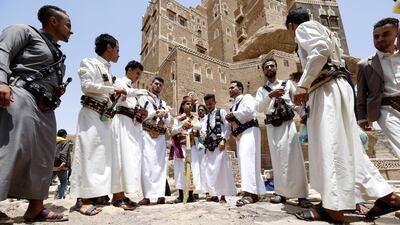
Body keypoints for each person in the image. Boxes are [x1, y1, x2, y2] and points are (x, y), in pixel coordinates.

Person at [286, 7, 400, 223]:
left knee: (331, 144)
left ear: (292, 25)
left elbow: (319, 51)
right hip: (338, 87)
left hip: (326, 89)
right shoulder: (326, 31)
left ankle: (332, 208)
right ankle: (387, 196)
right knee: (347, 147)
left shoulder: (304, 28)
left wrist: (303, 84)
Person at [0, 5, 72, 222]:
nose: (71, 30)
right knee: (11, 147)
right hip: (21, 95)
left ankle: (36, 208)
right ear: (53, 21)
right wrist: (1, 81)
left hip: (46, 107)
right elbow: (3, 50)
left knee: (43, 156)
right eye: (68, 25)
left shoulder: (57, 53)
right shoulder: (23, 30)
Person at [70, 33, 127, 216]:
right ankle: (84, 200)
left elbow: (109, 93)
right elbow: (87, 86)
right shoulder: (89, 62)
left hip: (105, 117)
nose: (119, 54)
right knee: (89, 154)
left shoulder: (109, 71)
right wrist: (112, 89)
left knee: (105, 158)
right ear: (109, 47)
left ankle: (102, 195)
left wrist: (116, 95)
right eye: (117, 50)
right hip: (91, 114)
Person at [255, 58, 311, 208]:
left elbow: (297, 102)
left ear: (276, 68)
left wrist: (304, 114)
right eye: (266, 67)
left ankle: (301, 195)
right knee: (278, 159)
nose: (270, 68)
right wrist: (270, 96)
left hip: (288, 125)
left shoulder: (287, 85)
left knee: (295, 158)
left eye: (272, 66)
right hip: (273, 127)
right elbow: (259, 108)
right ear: (263, 71)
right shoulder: (261, 90)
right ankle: (281, 193)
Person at [357, 18, 400, 158]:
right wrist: (362, 119)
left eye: (385, 34)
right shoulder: (365, 64)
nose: (380, 39)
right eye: (376, 36)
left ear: (396, 34)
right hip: (386, 109)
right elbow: (361, 94)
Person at [110, 60, 148, 209]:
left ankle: (123, 195)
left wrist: (141, 113)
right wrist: (143, 92)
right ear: (130, 70)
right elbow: (119, 96)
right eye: (137, 73)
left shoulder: (133, 88)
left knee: (128, 159)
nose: (138, 76)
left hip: (131, 125)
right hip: (121, 122)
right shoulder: (120, 82)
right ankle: (116, 196)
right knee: (119, 158)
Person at [226, 80, 266, 207]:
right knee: (245, 161)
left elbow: (249, 110)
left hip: (249, 130)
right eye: (229, 88)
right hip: (240, 134)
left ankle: (249, 193)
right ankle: (254, 192)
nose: (230, 89)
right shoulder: (233, 104)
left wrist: (234, 115)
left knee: (247, 160)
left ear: (240, 88)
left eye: (232, 87)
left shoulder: (247, 97)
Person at [138, 77, 171, 205]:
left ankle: (160, 195)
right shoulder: (143, 98)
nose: (158, 86)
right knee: (146, 164)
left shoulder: (163, 102)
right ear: (150, 84)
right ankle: (147, 196)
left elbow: (169, 120)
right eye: (156, 84)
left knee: (160, 165)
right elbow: (141, 114)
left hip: (160, 136)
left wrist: (166, 115)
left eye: (160, 85)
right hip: (146, 133)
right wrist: (156, 113)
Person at [202, 94, 236, 203]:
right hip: (210, 146)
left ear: (215, 102)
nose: (209, 106)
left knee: (222, 170)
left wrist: (224, 140)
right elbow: (203, 130)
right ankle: (214, 194)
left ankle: (223, 196)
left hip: (219, 145)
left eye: (210, 103)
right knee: (210, 171)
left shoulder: (221, 112)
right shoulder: (206, 117)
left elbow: (228, 127)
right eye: (207, 104)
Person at [169, 96, 202, 203]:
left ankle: (191, 195)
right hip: (181, 147)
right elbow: (173, 131)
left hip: (192, 146)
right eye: (187, 104)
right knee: (180, 170)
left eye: (191, 104)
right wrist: (182, 126)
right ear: (183, 105)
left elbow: (199, 126)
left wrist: (191, 124)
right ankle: (181, 195)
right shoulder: (177, 118)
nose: (190, 105)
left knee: (193, 169)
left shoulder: (194, 118)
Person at [53, 129, 72, 199]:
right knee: (63, 182)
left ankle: (41, 197)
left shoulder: (52, 141)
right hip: (61, 165)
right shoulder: (64, 142)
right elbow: (64, 152)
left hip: (52, 165)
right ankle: (59, 197)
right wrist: (63, 162)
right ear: (64, 135)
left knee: (48, 182)